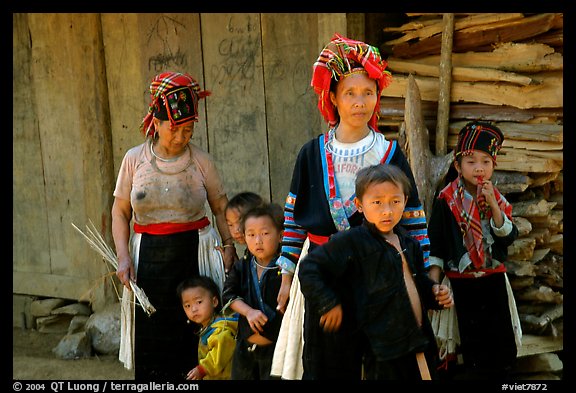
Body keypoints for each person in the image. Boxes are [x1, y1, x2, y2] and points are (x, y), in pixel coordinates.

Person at [271, 33, 430, 380]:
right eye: (350, 94)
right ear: (333, 98)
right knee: (328, 362)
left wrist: (426, 272)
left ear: (378, 96)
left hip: (380, 272)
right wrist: (286, 276)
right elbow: (295, 220)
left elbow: (414, 218)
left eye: (368, 93)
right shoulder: (312, 153)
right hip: (324, 272)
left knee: (382, 361)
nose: (360, 102)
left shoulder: (389, 153)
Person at [112, 71, 237, 380]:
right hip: (148, 259)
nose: (182, 136)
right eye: (175, 128)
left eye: (189, 129)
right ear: (156, 123)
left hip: (194, 254)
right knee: (152, 335)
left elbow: (221, 207)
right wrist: (123, 256)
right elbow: (120, 211)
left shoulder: (201, 161)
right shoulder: (134, 160)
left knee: (194, 331)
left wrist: (229, 246)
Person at [298, 164, 453, 380]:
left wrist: (434, 293)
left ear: (405, 201)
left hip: (416, 342)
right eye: (377, 202)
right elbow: (309, 268)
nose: (387, 210)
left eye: (395, 201)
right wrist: (328, 303)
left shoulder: (409, 243)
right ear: (359, 205)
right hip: (380, 351)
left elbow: (416, 285)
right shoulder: (352, 242)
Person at [427, 121, 522, 379]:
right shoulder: (446, 200)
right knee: (463, 359)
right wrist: (433, 286)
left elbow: (508, 236)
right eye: (470, 161)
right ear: (457, 166)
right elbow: (435, 245)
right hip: (459, 287)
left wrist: (493, 206)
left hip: (493, 284)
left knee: (499, 356)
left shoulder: (498, 199)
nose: (478, 167)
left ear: (493, 166)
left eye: (485, 161)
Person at [222, 203, 284, 379]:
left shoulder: (286, 270)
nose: (258, 241)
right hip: (245, 349)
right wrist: (248, 312)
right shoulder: (242, 267)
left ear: (281, 236)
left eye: (265, 233)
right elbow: (228, 295)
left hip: (277, 351)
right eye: (251, 234)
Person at [177, 275, 238, 380]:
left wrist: (202, 369)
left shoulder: (221, 329)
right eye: (187, 306)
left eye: (199, 302)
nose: (194, 309)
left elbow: (219, 354)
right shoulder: (208, 327)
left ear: (214, 301)